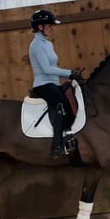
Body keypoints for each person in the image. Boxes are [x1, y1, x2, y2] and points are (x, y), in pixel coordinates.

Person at [29, 9, 81, 160]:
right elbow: (46, 69)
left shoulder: (48, 44)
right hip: (42, 85)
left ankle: (70, 135)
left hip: (53, 83)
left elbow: (53, 68)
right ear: (40, 27)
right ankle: (57, 146)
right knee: (61, 105)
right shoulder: (36, 45)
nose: (52, 28)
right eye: (50, 26)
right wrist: (69, 73)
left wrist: (71, 75)